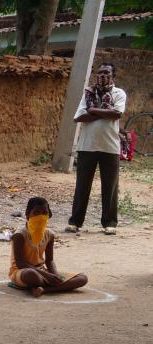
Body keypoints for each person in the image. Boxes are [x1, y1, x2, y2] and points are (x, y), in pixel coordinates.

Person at [66, 63, 127, 235]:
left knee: (110, 187)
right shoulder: (88, 93)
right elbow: (79, 117)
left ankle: (110, 223)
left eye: (106, 72)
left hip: (110, 147)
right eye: (99, 72)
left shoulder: (119, 93)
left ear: (113, 76)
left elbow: (117, 114)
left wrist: (92, 110)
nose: (102, 75)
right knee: (82, 186)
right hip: (87, 146)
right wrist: (101, 111)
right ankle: (75, 222)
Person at [11, 197, 88, 297]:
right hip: (22, 272)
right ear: (27, 214)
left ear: (49, 215)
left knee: (82, 278)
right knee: (32, 275)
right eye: (36, 213)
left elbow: (49, 261)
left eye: (44, 213)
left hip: (42, 271)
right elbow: (20, 263)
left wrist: (55, 275)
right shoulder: (20, 235)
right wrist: (46, 275)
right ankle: (47, 286)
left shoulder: (49, 234)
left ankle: (44, 289)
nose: (40, 216)